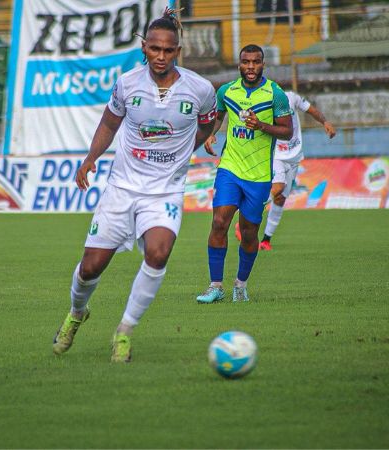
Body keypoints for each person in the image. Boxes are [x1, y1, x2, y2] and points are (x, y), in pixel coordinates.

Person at [52, 9, 217, 363]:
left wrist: (192, 146)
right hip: (122, 189)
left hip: (165, 191)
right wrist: (90, 158)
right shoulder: (127, 83)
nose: (160, 56)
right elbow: (109, 124)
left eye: (168, 51)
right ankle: (77, 313)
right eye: (154, 49)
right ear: (144, 47)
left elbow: (209, 121)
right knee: (91, 268)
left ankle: (124, 331)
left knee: (158, 253)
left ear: (177, 51)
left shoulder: (200, 89)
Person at [195, 44, 293, 304]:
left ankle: (240, 284)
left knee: (249, 232)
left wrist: (260, 125)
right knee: (219, 223)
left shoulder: (275, 94)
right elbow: (218, 115)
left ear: (263, 64)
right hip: (230, 167)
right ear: (239, 64)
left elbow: (288, 132)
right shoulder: (227, 91)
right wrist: (212, 132)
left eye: (256, 62)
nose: (251, 67)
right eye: (246, 62)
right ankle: (216, 286)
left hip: (259, 175)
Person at [255, 91, 336, 250]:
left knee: (280, 199)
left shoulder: (291, 97)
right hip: (276, 154)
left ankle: (266, 240)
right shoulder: (264, 102)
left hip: (294, 155)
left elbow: (311, 110)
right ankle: (249, 215)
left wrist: (325, 122)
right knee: (278, 188)